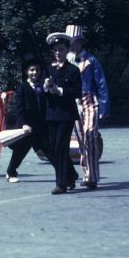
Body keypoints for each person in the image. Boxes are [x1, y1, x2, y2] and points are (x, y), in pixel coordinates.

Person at [65, 24, 110, 189]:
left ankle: (93, 176)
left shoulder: (91, 60)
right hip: (73, 102)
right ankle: (88, 175)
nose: (72, 45)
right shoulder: (65, 62)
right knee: (81, 140)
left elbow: (102, 84)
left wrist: (104, 108)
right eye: (69, 42)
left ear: (80, 42)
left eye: (74, 41)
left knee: (90, 134)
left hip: (90, 100)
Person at [5, 54, 55, 183]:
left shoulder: (41, 87)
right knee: (20, 152)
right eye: (32, 70)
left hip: (39, 126)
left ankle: (65, 173)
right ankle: (11, 172)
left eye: (37, 70)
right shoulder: (23, 87)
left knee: (49, 151)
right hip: (27, 126)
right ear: (26, 72)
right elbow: (19, 107)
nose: (35, 73)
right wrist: (24, 124)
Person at [44, 32, 81, 195]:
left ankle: (61, 183)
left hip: (66, 114)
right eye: (55, 50)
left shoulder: (73, 70)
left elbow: (77, 92)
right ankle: (71, 174)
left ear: (67, 50)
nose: (58, 53)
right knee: (54, 147)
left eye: (61, 49)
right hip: (51, 113)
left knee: (61, 146)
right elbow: (42, 92)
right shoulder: (49, 69)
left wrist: (59, 90)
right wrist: (45, 88)